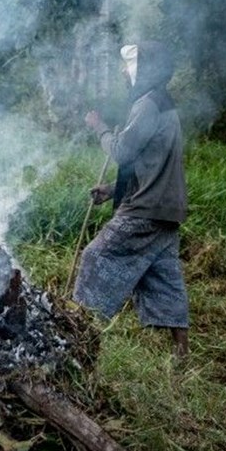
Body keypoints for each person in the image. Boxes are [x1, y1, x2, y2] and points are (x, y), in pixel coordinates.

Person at [76, 41, 189, 358]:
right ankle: (181, 355)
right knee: (165, 277)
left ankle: (77, 337)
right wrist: (114, 189)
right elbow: (151, 162)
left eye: (130, 65)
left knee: (94, 257)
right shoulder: (164, 103)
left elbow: (123, 151)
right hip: (166, 208)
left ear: (145, 69)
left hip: (145, 209)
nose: (126, 71)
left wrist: (99, 129)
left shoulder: (147, 105)